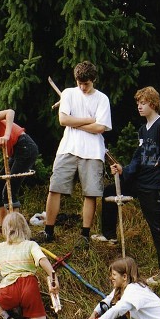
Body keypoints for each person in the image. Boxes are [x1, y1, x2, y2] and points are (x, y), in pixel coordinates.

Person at [91, 86, 160, 285]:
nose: (139, 106)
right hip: (140, 181)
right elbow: (138, 158)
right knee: (110, 192)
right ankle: (109, 236)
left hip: (156, 185)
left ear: (153, 104)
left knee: (159, 227)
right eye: (138, 102)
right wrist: (123, 170)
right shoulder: (142, 130)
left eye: (143, 103)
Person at [36, 61, 112, 247]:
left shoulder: (102, 99)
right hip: (68, 148)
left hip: (93, 152)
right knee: (55, 188)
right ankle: (48, 231)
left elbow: (100, 127)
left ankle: (85, 235)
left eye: (86, 83)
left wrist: (75, 122)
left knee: (90, 193)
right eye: (79, 83)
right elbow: (63, 120)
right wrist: (88, 120)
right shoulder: (69, 93)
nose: (82, 87)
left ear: (93, 80)